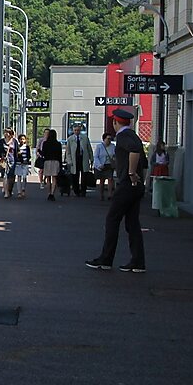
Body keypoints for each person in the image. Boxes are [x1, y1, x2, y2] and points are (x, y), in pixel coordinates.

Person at [86, 107, 148, 273]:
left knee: (112, 219)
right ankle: (138, 261)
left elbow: (134, 151)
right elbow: (143, 159)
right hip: (136, 187)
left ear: (115, 122)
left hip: (127, 185)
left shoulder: (123, 137)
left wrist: (131, 173)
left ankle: (106, 259)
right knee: (132, 223)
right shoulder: (134, 135)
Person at [65, 123, 94, 197]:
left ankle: (83, 191)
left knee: (84, 175)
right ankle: (76, 191)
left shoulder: (85, 138)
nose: (76, 132)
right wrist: (69, 161)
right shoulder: (70, 139)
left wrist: (91, 158)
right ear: (73, 131)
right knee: (75, 175)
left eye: (78, 130)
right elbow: (68, 152)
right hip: (74, 159)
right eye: (75, 130)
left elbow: (89, 149)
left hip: (83, 158)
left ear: (80, 130)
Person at [40, 129, 62, 201]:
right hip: (56, 161)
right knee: (54, 178)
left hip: (47, 161)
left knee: (48, 178)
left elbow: (43, 153)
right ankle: (52, 193)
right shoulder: (58, 144)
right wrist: (60, 164)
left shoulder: (45, 143)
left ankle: (49, 193)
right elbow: (60, 155)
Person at [93, 132, 116, 201]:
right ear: (104, 139)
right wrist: (99, 165)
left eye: (110, 139)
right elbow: (96, 157)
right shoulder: (99, 146)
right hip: (101, 165)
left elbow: (115, 155)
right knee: (102, 180)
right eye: (108, 139)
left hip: (109, 165)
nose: (109, 140)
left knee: (110, 179)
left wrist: (114, 159)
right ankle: (101, 194)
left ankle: (110, 194)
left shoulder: (113, 146)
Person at [0, 129, 18, 198]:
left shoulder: (14, 141)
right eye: (5, 132)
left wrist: (18, 160)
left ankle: (10, 189)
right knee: (5, 176)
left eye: (8, 132)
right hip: (4, 161)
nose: (6, 134)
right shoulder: (2, 141)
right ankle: (6, 192)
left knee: (11, 177)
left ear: (11, 134)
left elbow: (17, 151)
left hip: (12, 161)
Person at [14, 134, 32, 198]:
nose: (22, 140)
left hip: (25, 164)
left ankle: (23, 189)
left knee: (24, 177)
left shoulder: (27, 147)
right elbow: (15, 155)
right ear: (18, 140)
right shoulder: (17, 147)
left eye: (23, 139)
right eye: (21, 139)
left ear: (25, 140)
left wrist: (27, 160)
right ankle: (19, 192)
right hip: (18, 164)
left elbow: (29, 155)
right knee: (18, 177)